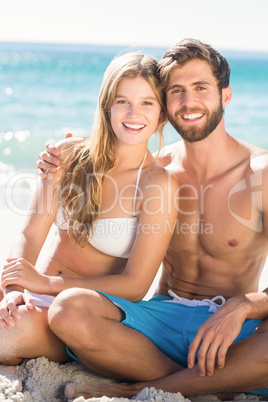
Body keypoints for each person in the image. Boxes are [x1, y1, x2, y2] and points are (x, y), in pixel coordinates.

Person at [35, 38, 268, 400]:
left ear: (226, 96)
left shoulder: (261, 174)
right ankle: (215, 383)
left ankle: (139, 390)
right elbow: (111, 141)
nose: (188, 102)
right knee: (69, 310)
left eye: (201, 88)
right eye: (177, 91)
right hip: (158, 320)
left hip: (232, 329)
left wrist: (245, 305)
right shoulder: (157, 170)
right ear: (164, 105)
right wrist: (61, 152)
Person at [0, 53, 178, 367]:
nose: (133, 113)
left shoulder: (156, 185)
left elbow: (135, 286)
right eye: (123, 100)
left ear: (162, 114)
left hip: (73, 313)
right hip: (30, 288)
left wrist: (45, 285)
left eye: (147, 103)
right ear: (106, 104)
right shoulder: (68, 154)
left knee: (6, 336)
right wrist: (14, 289)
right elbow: (31, 232)